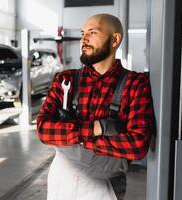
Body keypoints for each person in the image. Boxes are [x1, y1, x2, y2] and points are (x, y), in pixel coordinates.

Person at [37, 13, 154, 200]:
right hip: (62, 178)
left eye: (92, 32)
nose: (84, 39)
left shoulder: (135, 84)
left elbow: (137, 145)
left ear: (114, 39)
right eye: (83, 33)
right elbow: (44, 130)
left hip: (105, 186)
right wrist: (99, 128)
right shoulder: (65, 79)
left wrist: (79, 138)